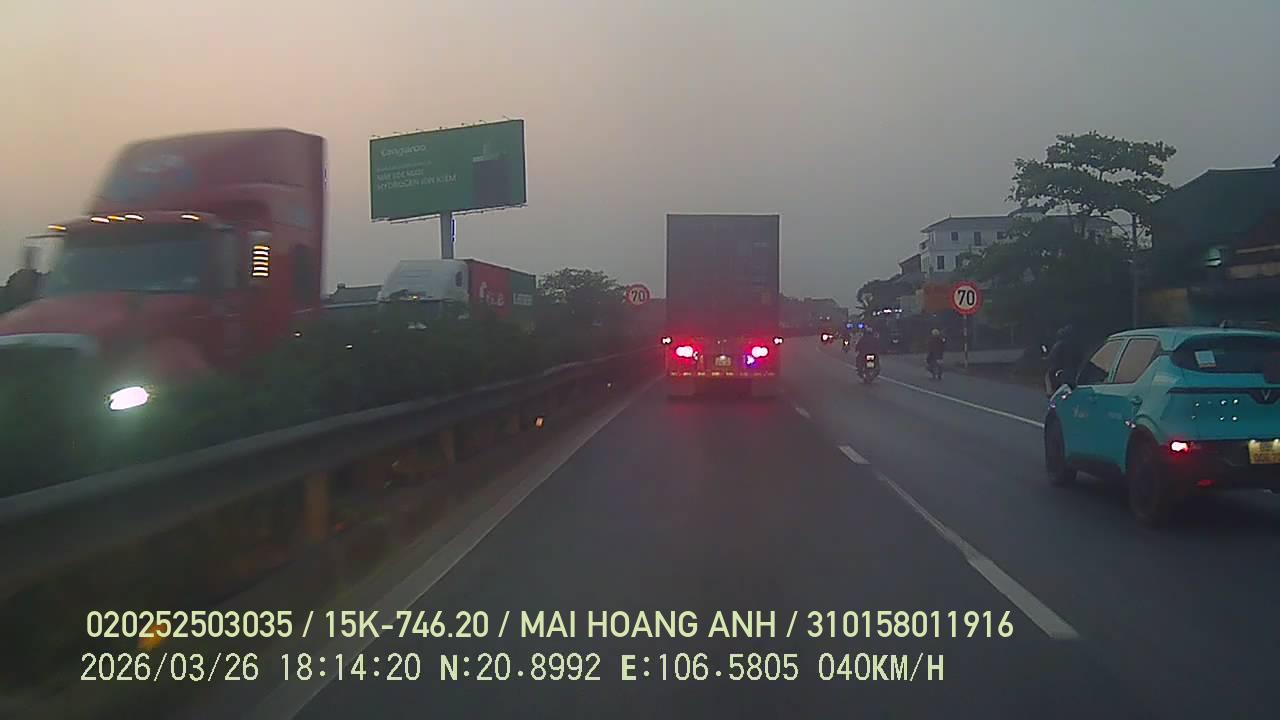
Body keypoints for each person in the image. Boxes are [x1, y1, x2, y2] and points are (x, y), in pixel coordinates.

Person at [1045, 324, 1082, 396]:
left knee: (1048, 374)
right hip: (1074, 368)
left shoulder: (1059, 345)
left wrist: (1047, 358)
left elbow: (1052, 356)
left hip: (1060, 368)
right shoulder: (1076, 345)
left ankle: (1050, 393)